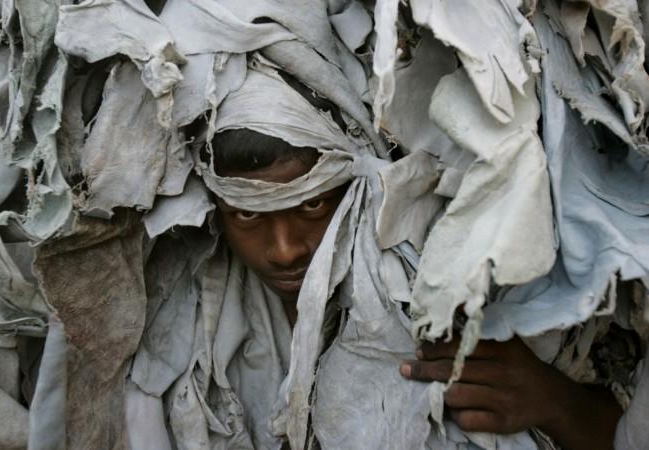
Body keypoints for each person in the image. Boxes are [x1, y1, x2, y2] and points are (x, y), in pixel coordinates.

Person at [203, 75, 623, 450]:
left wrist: (558, 403)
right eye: (247, 214)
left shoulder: (476, 298)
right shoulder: (203, 335)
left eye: (312, 204)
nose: (285, 250)